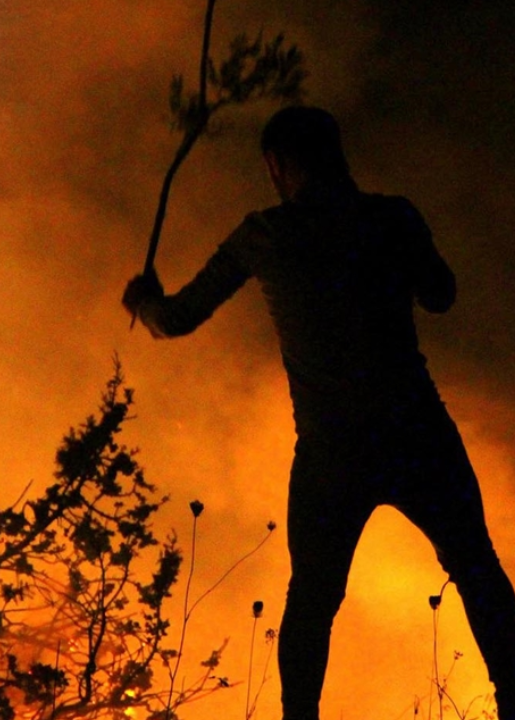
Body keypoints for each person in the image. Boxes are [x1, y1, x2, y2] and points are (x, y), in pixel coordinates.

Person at [122, 106, 515, 720]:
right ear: (337, 153)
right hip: (418, 431)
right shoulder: (393, 217)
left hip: (333, 452)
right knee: (477, 570)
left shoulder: (264, 235)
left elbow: (177, 320)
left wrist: (145, 301)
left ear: (278, 165)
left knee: (311, 600)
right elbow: (441, 295)